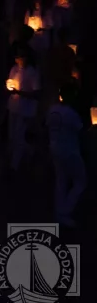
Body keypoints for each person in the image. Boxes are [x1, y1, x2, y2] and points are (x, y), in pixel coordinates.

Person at [46, 85, 85, 226]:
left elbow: (47, 126)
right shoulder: (71, 114)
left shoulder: (52, 110)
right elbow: (80, 129)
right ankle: (65, 210)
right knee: (80, 181)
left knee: (61, 181)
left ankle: (59, 212)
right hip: (70, 151)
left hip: (55, 148)